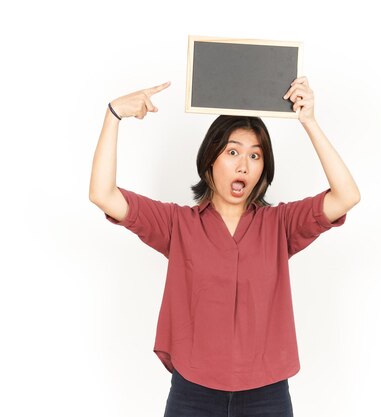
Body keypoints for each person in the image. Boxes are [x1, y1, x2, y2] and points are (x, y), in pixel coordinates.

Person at [89, 76, 361, 417]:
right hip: (193, 394)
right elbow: (103, 194)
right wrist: (113, 114)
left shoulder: (280, 224)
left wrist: (309, 122)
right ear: (210, 161)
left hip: (267, 396)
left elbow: (347, 195)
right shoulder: (178, 224)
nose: (244, 165)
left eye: (255, 155)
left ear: (263, 168)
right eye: (233, 152)